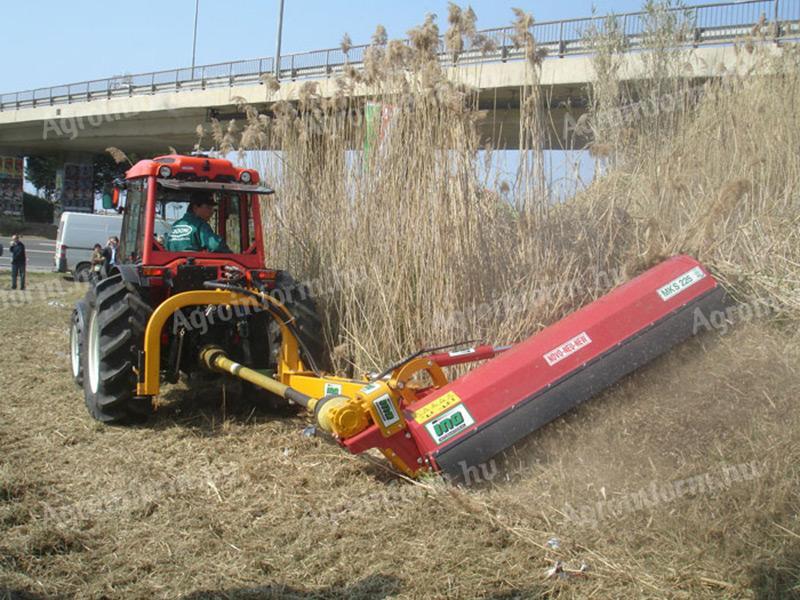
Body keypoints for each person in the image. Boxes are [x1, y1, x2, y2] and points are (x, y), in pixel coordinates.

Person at [165, 193, 231, 253]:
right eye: (208, 208)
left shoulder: (175, 225)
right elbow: (215, 245)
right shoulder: (200, 225)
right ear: (195, 208)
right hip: (193, 264)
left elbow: (166, 246)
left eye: (212, 208)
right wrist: (229, 253)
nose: (212, 212)